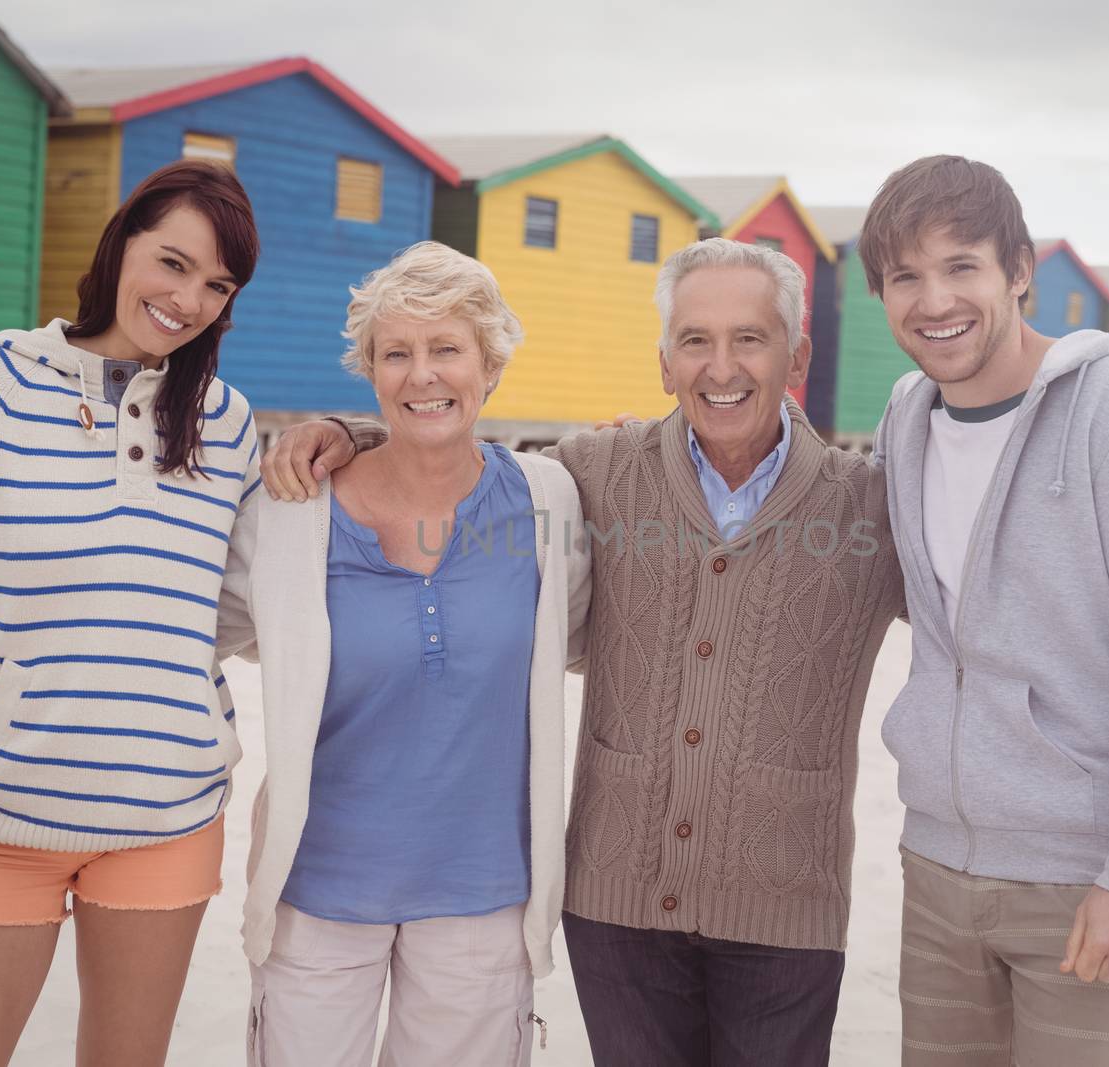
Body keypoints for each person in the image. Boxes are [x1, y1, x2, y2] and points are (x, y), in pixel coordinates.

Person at [262, 238, 905, 1066]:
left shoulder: (866, 506)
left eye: (750, 338)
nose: (721, 366)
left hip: (787, 912)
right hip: (617, 903)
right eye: (695, 341)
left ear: (797, 354)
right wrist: (342, 432)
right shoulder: (588, 475)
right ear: (665, 361)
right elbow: (445, 453)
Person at [0, 160, 261, 1066]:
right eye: (171, 262)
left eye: (217, 285)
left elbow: (228, 605)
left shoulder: (228, 421)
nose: (186, 299)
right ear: (122, 240)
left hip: (169, 816)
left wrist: (348, 437)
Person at [860, 155, 1109, 1066]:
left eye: (961, 266)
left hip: (1082, 880)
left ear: (1019, 270)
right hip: (937, 871)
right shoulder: (906, 417)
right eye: (905, 276)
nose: (933, 299)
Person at [220, 241, 590, 1066]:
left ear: (488, 364)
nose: (423, 375)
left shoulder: (547, 501)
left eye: (447, 349)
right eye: (398, 353)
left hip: (485, 896)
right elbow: (188, 631)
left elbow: (597, 639)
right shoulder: (290, 510)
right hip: (316, 892)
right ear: (372, 371)